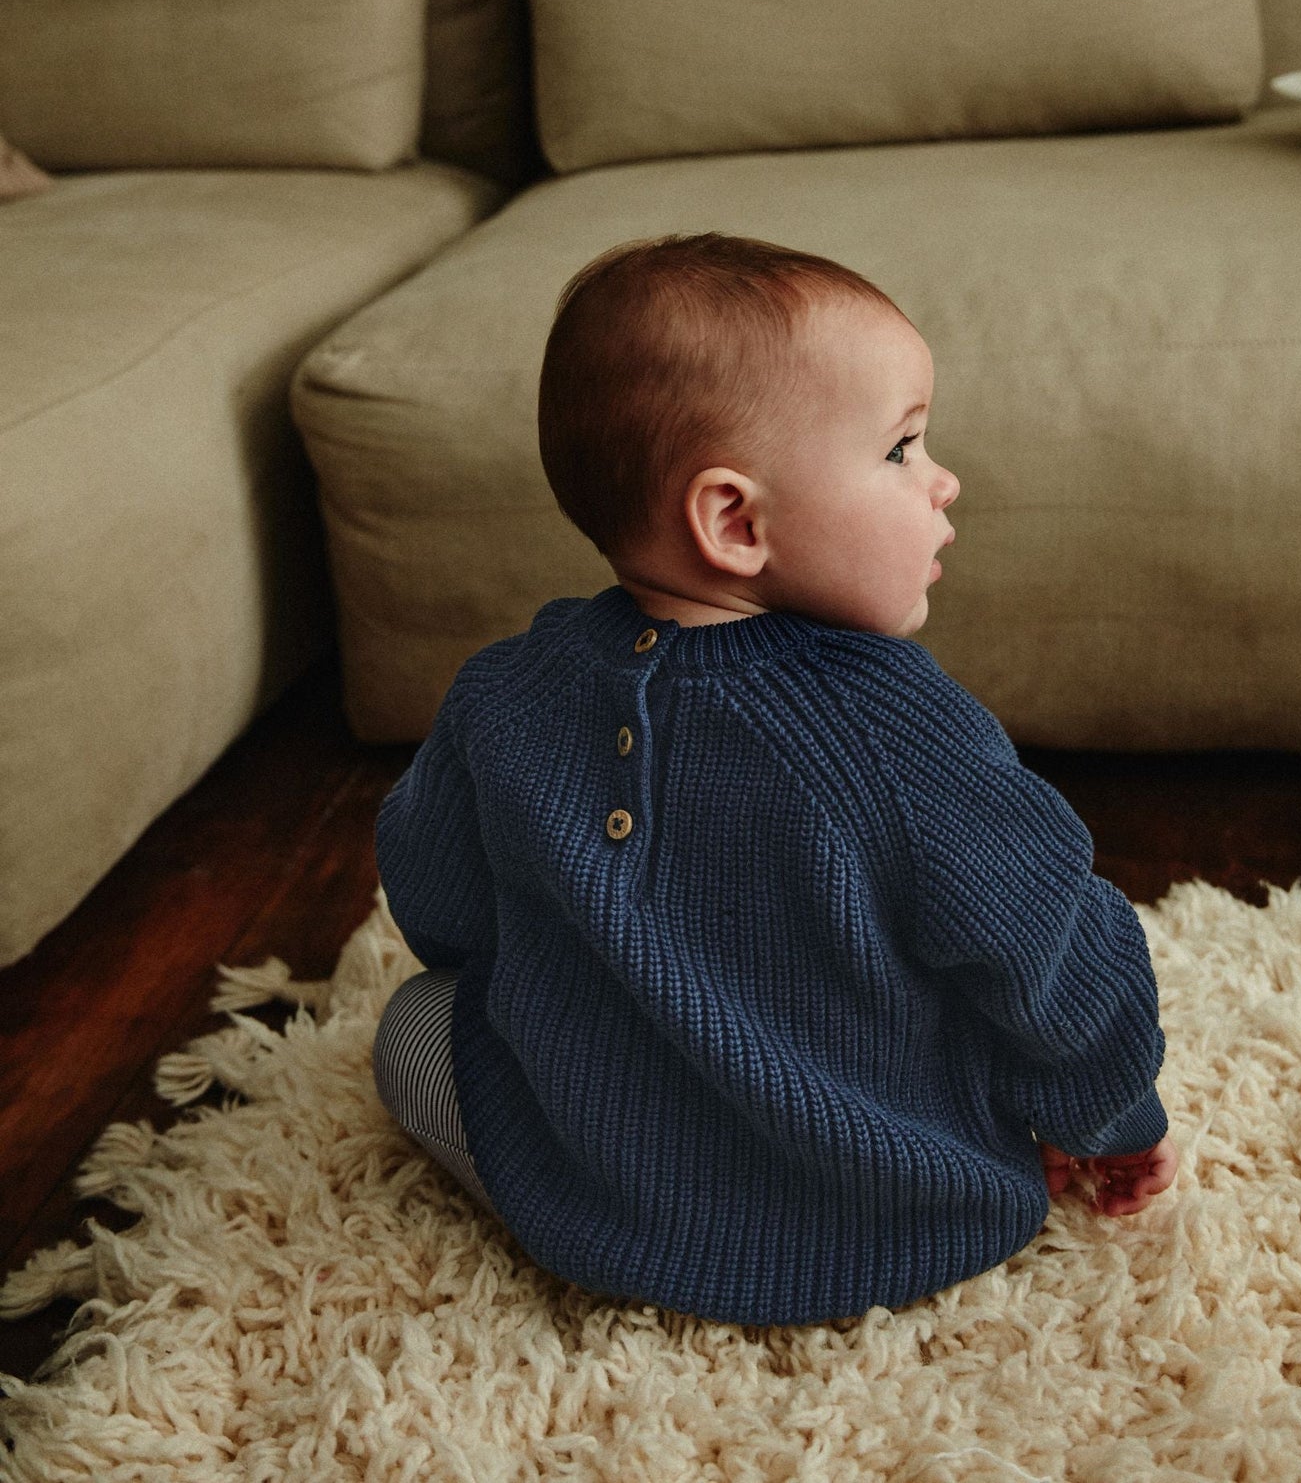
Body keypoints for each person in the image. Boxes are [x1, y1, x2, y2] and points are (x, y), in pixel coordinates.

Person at [371, 231, 1178, 1327]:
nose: (944, 481)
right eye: (900, 450)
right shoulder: (903, 729)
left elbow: (442, 910)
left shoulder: (501, 694)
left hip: (598, 1204)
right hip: (907, 1217)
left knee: (415, 1025)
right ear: (734, 522)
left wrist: (580, 993)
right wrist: (1114, 1115)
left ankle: (622, 1211)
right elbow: (1057, 962)